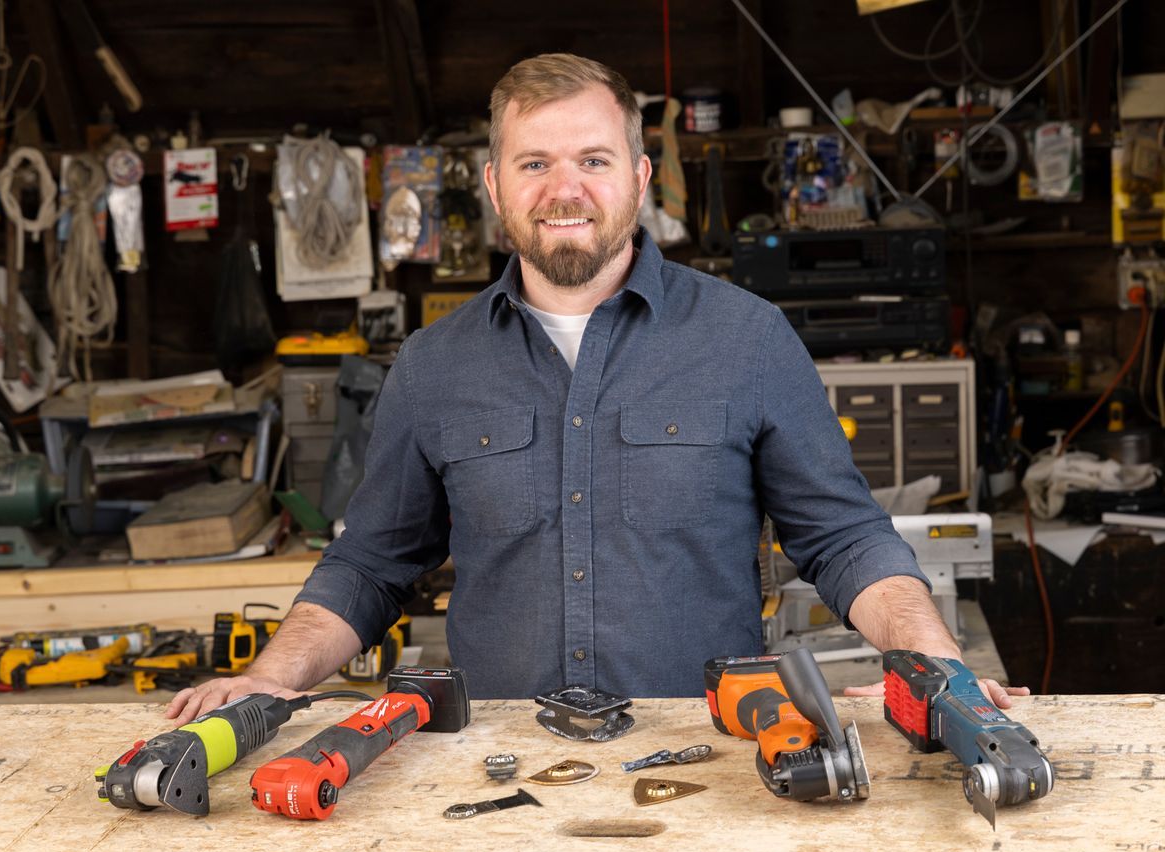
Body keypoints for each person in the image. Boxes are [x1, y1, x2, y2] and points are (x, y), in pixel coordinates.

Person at [168, 53, 1026, 725]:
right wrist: (267, 680)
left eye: (593, 158)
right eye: (534, 162)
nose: (564, 188)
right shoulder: (433, 367)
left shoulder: (748, 338)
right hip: (497, 769)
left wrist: (937, 668)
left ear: (640, 179)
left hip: (719, 754)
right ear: (497, 186)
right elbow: (371, 563)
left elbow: (843, 541)